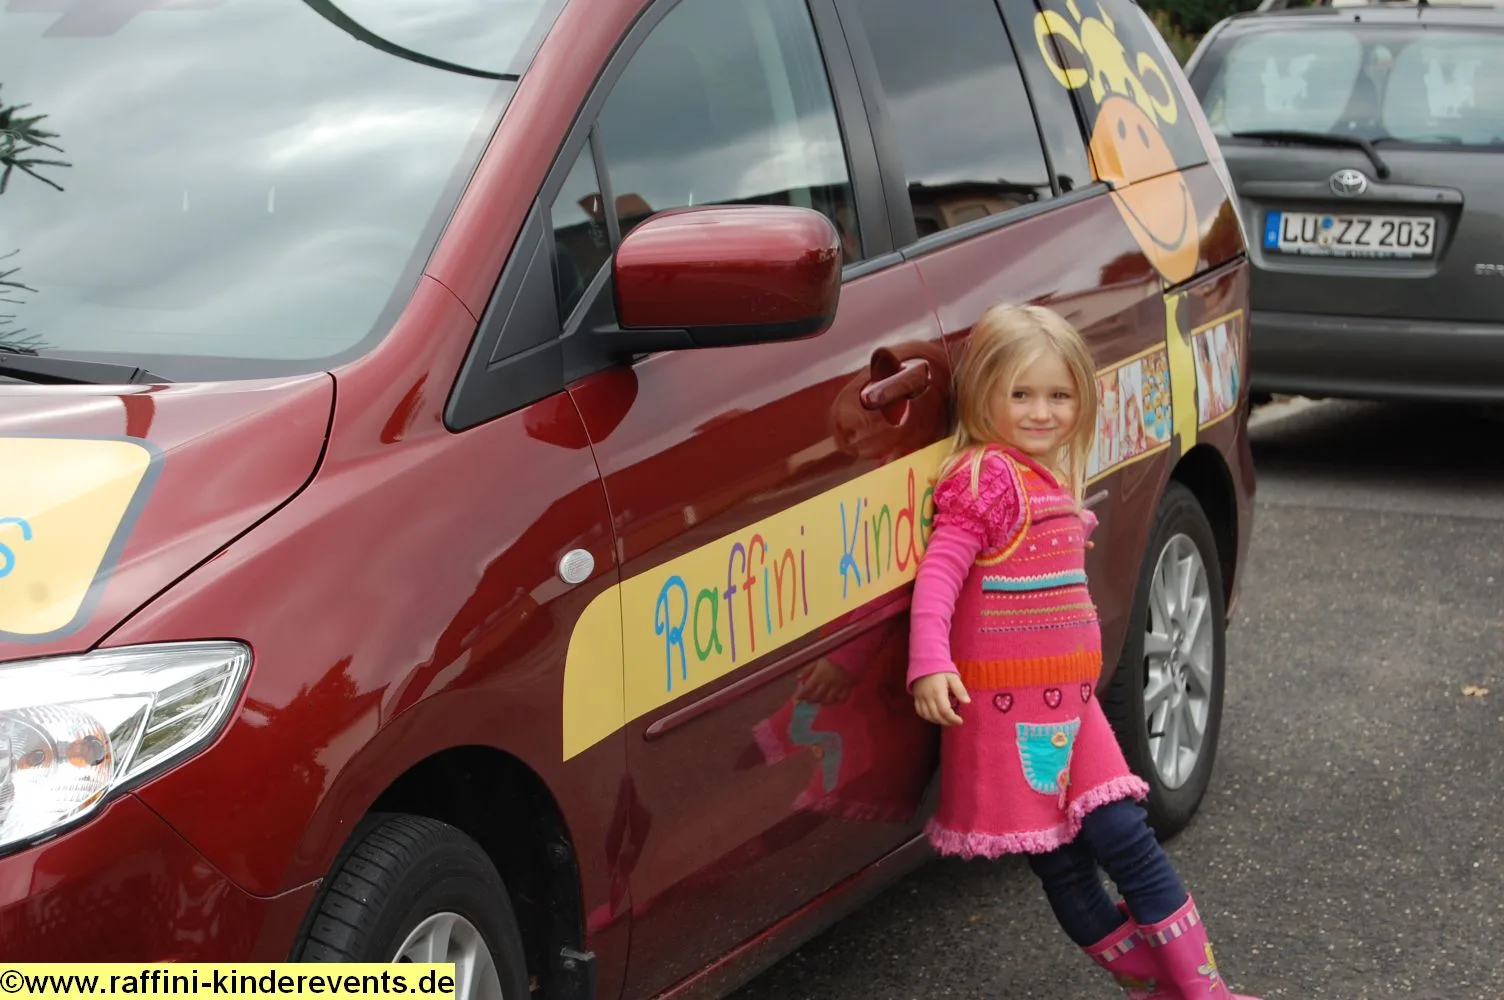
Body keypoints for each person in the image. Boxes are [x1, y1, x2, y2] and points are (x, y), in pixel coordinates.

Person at [907, 304, 1259, 999]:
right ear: (981, 395)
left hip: (1072, 707)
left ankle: (1202, 988)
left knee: (1125, 834)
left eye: (1059, 396)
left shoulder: (1044, 478)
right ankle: (1161, 985)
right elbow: (941, 575)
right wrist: (930, 661)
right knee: (1064, 862)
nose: (1041, 412)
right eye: (1020, 394)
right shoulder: (988, 479)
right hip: (1012, 714)